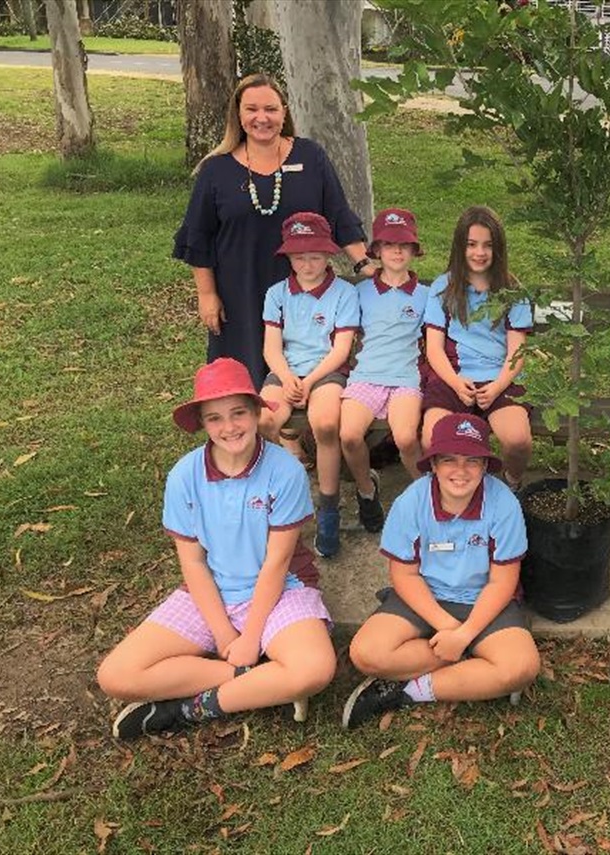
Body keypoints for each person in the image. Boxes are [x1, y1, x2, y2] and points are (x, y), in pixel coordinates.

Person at [97, 358, 336, 739]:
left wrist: (252, 636)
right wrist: (226, 637)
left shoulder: (285, 471)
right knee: (115, 675)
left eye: (239, 413)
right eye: (214, 418)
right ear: (203, 424)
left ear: (258, 411)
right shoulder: (184, 475)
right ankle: (258, 681)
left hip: (282, 589)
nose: (229, 427)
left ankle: (193, 707)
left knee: (315, 670)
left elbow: (277, 562)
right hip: (212, 591)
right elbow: (192, 562)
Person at [173, 72, 375, 389]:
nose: (261, 118)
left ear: (284, 111)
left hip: (302, 285)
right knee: (243, 373)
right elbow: (199, 237)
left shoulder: (311, 157)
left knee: (300, 361)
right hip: (239, 287)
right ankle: (249, 433)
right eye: (252, 109)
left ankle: (293, 432)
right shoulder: (216, 169)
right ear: (238, 114)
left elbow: (338, 216)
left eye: (270, 109)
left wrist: (365, 263)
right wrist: (207, 294)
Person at [342, 413, 540, 729]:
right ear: (433, 464)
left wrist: (465, 632)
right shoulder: (411, 502)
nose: (460, 471)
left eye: (472, 461)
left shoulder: (503, 503)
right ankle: (470, 667)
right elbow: (405, 575)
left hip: (485, 599)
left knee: (521, 667)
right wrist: (450, 629)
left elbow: (503, 580)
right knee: (366, 653)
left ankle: (408, 690)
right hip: (425, 595)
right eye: (449, 460)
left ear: (485, 466)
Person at [257, 212, 359, 559]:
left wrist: (310, 380)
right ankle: (272, 500)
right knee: (262, 420)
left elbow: (341, 349)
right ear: (288, 256)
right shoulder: (276, 294)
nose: (308, 264)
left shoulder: (343, 293)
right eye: (299, 256)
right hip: (285, 372)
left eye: (315, 256)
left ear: (328, 255)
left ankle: (328, 506)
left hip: (326, 373)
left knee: (326, 423)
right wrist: (287, 378)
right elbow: (271, 347)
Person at [421, 206, 533, 490]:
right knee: (431, 439)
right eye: (471, 245)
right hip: (454, 376)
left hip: (499, 378)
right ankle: (446, 495)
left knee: (518, 441)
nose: (479, 253)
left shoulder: (512, 291)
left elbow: (516, 353)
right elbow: (434, 349)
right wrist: (456, 383)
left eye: (487, 245)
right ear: (460, 246)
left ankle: (510, 485)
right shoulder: (442, 287)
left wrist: (497, 387)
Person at [340, 208, 430, 534]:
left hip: (405, 379)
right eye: (388, 244)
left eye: (403, 245)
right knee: (349, 435)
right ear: (375, 250)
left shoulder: (425, 296)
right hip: (366, 377)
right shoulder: (359, 293)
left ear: (413, 251)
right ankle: (367, 489)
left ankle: (429, 497)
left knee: (406, 438)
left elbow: (434, 344)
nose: (396, 251)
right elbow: (343, 337)